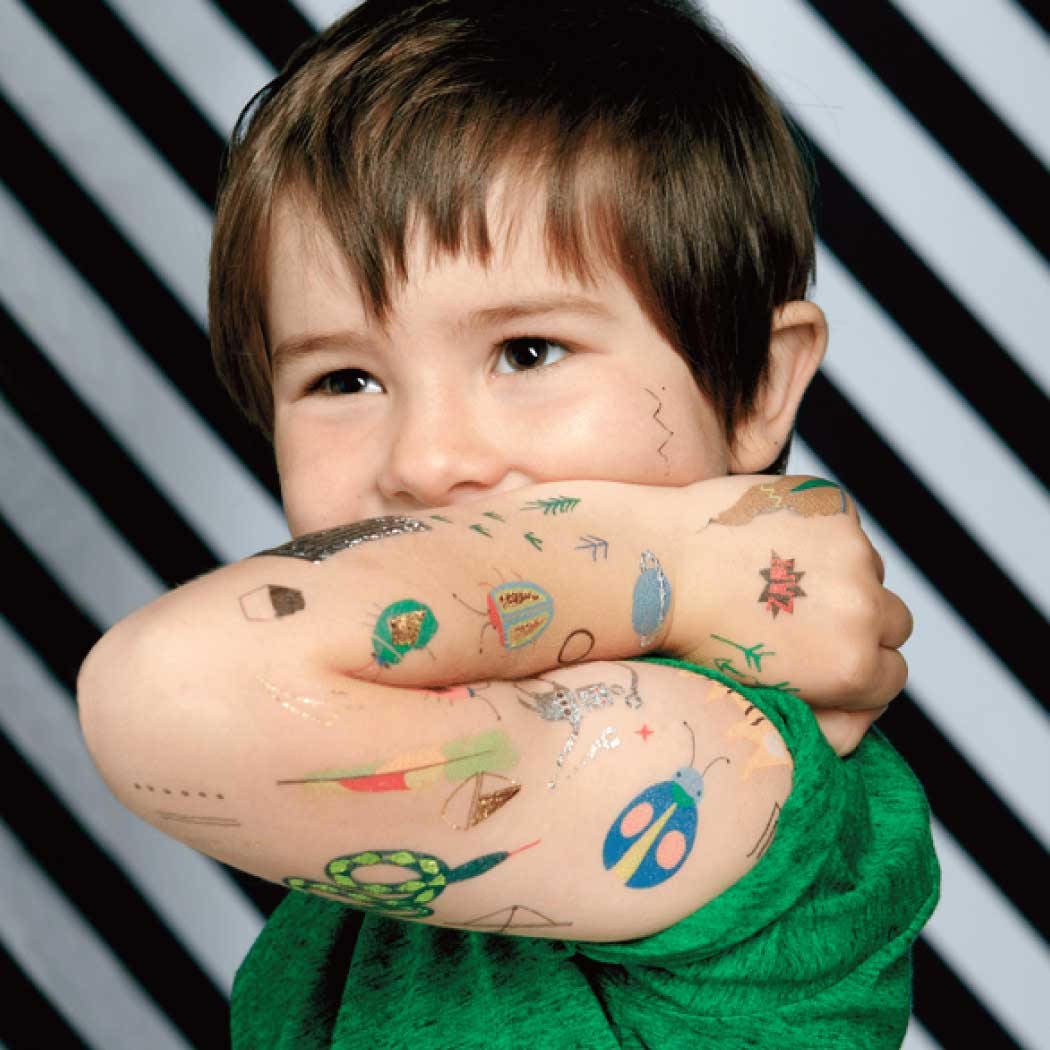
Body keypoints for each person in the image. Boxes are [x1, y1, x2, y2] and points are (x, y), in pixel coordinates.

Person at [77, 1, 938, 1046]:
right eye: (344, 377)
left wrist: (668, 569)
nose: (426, 461)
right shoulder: (405, 746)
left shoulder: (727, 758)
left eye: (528, 351)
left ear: (757, 386)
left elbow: (171, 691)